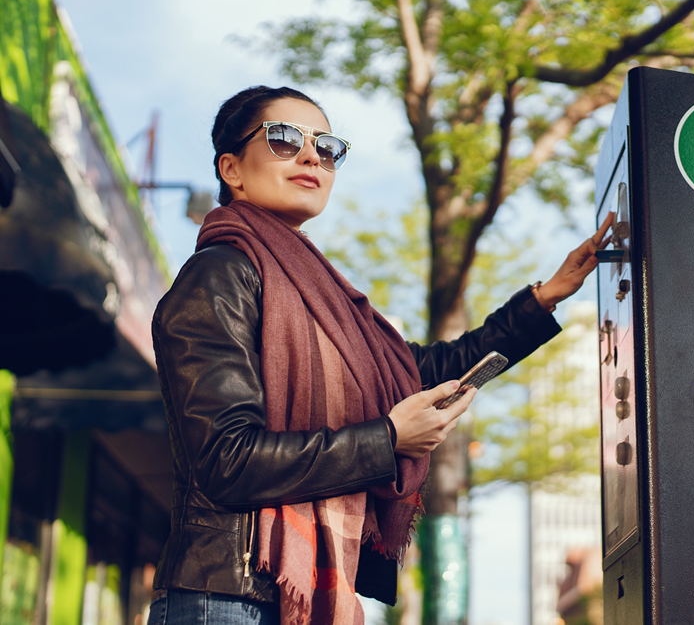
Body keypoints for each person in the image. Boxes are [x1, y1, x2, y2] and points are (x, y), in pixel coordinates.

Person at [146, 85, 613, 625]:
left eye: (326, 147)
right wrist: (387, 441)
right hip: (226, 597)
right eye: (282, 139)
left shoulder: (323, 298)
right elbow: (228, 460)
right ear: (232, 168)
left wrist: (545, 297)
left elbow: (421, 371)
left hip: (287, 596)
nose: (309, 156)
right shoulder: (219, 275)